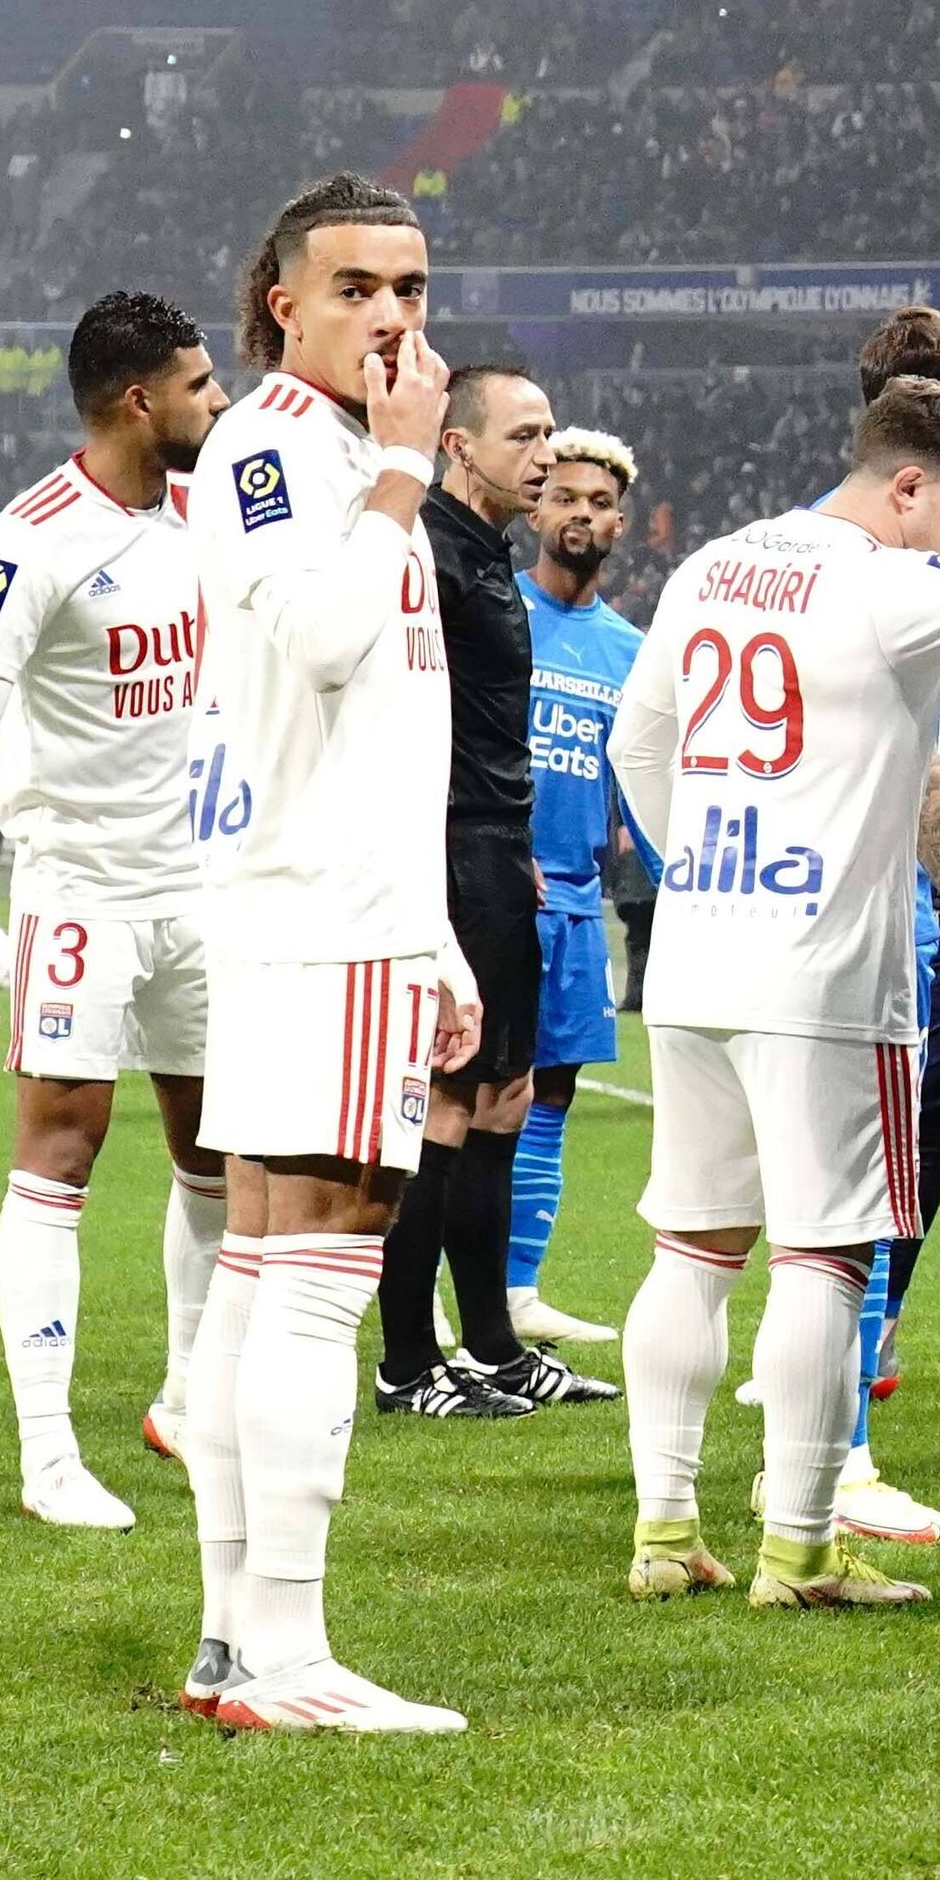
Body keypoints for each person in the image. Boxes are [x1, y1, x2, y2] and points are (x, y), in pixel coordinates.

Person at [606, 379, 940, 1613]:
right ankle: (798, 1547)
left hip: (696, 960)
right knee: (826, 1255)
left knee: (690, 1246)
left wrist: (708, 873)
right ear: (909, 487)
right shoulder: (898, 589)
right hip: (826, 974)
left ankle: (664, 1532)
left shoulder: (711, 569)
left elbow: (641, 742)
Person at [178, 172, 479, 1734]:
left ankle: (233, 1638)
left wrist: (433, 926)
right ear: (281, 299)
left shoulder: (343, 456)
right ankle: (292, 1653)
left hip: (322, 901)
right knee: (320, 1274)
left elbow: (372, 721)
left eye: (412, 289)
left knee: (260, 1269)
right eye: (357, 286)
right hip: (320, 908)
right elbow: (324, 641)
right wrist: (409, 476)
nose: (392, 316)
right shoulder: (298, 451)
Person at [0, 290, 231, 1529]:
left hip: (203, 885)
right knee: (64, 1149)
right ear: (137, 400)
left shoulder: (212, 512)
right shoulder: (30, 540)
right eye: (201, 385)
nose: (221, 402)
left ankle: (189, 1398)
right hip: (81, 891)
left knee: (216, 1152)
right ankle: (48, 1455)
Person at [375, 365, 609, 1420]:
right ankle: (407, 1364)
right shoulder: (421, 547)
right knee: (444, 1102)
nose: (547, 454)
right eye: (525, 434)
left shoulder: (484, 554)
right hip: (449, 846)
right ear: (459, 445)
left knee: (503, 1093)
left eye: (551, 431)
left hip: (496, 847)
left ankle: (495, 1346)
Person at [504, 424, 643, 1348]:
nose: (580, 513)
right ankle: (436, 1291)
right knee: (459, 1100)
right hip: (486, 889)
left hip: (575, 901)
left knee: (550, 1094)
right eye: (564, 496)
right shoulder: (491, 610)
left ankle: (517, 1289)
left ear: (620, 522)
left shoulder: (631, 650)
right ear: (536, 508)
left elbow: (637, 789)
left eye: (597, 502)